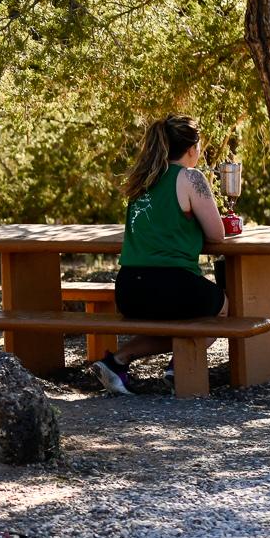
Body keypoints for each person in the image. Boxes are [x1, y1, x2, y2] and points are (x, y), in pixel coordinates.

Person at [89, 115, 227, 396]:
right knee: (222, 307)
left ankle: (117, 361)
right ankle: (179, 366)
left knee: (177, 317)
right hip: (172, 285)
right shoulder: (190, 177)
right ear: (191, 148)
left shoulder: (142, 180)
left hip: (129, 289)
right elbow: (217, 234)